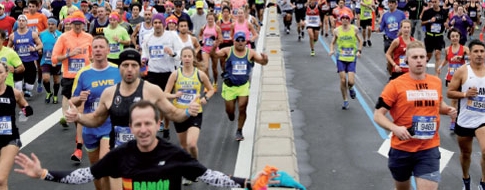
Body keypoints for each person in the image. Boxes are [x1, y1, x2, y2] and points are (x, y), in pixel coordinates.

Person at [16, 100, 301, 189]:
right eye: (137, 124)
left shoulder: (173, 154)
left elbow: (210, 176)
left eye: (148, 124)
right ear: (131, 127)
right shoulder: (120, 155)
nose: (142, 129)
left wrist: (250, 183)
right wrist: (44, 174)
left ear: (157, 125)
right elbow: (84, 176)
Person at [65, 49, 201, 151]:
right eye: (125, 65)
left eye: (134, 65)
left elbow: (173, 114)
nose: (129, 69)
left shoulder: (152, 90)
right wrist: (78, 117)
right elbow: (96, 119)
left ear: (139, 68)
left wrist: (188, 111)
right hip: (119, 153)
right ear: (119, 68)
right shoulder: (109, 93)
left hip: (146, 154)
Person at [373, 40, 457, 190]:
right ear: (407, 60)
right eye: (414, 57)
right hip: (402, 149)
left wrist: (448, 110)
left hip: (428, 148)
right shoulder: (395, 85)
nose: (419, 60)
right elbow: (378, 115)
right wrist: (395, 128)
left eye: (422, 57)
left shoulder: (435, 82)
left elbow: (437, 105)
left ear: (426, 59)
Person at [447, 39, 485, 190]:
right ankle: (466, 180)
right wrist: (465, 94)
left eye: (481, 51)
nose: (479, 54)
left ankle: (484, 183)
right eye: (475, 51)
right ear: (469, 54)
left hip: (483, 118)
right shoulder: (462, 71)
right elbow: (450, 92)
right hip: (464, 120)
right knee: (465, 154)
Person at [70, 36, 121, 190]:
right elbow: (73, 100)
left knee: (105, 162)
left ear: (108, 50)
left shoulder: (117, 71)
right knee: (96, 168)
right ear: (92, 51)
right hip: (90, 126)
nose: (98, 50)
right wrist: (80, 98)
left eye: (101, 47)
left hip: (110, 125)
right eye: (95, 47)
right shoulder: (83, 73)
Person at [164, 47, 215, 183]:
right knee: (184, 146)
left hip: (194, 113)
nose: (187, 58)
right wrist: (175, 95)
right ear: (181, 58)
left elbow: (211, 89)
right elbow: (165, 93)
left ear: (193, 58)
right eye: (184, 56)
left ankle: (195, 167)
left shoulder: (200, 74)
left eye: (189, 56)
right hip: (179, 113)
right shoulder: (175, 74)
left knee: (191, 144)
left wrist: (206, 98)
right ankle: (189, 170)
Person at [51, 10, 93, 161]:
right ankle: (81, 137)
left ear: (84, 24)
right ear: (71, 24)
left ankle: (79, 146)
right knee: (76, 113)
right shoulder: (63, 38)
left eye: (80, 24)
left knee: (81, 110)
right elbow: (54, 59)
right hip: (69, 78)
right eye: (75, 24)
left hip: (86, 77)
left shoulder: (89, 37)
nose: (77, 26)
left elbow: (94, 56)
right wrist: (69, 54)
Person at [0, 61, 33, 190]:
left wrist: (26, 111)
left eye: (0, 72)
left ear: (6, 74)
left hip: (10, 138)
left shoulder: (15, 93)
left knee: (1, 179)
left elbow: (26, 107)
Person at [215, 31, 269, 141]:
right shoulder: (228, 51)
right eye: (238, 40)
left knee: (242, 107)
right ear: (234, 41)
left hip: (243, 86)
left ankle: (239, 130)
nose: (240, 42)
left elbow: (263, 63)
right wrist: (213, 47)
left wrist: (265, 59)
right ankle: (231, 116)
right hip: (229, 86)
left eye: (242, 40)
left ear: (246, 42)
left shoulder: (250, 53)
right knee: (230, 112)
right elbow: (215, 55)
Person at [437, 28, 469, 131]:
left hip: (463, 77)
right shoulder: (447, 49)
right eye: (453, 36)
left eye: (456, 36)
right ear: (450, 38)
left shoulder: (464, 49)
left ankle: (463, 119)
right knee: (454, 99)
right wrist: (440, 67)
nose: (455, 38)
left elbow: (471, 58)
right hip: (451, 77)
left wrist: (462, 57)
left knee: (463, 99)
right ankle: (453, 121)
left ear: (460, 37)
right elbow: (447, 59)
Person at [328, 13, 363, 109]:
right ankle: (345, 100)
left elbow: (360, 41)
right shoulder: (337, 31)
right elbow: (332, 43)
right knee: (343, 80)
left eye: (346, 18)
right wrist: (331, 50)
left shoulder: (354, 29)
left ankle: (351, 88)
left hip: (351, 58)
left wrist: (359, 51)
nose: (344, 20)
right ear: (340, 20)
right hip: (341, 58)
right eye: (343, 18)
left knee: (351, 82)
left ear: (349, 20)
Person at [8, 15, 43, 97]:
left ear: (26, 22)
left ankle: (26, 88)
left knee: (29, 86)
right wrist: (11, 50)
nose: (21, 22)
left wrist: (34, 48)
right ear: (17, 22)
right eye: (19, 20)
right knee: (17, 86)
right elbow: (8, 47)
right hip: (18, 62)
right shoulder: (13, 35)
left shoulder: (33, 34)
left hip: (30, 61)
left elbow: (40, 45)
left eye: (23, 20)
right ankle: (21, 100)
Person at [421, 0, 449, 72]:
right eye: (432, 2)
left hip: (439, 36)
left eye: (435, 2)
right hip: (429, 36)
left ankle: (437, 75)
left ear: (439, 2)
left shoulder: (444, 12)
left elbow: (447, 21)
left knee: (438, 54)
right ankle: (421, 69)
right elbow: (421, 23)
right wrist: (429, 21)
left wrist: (447, 25)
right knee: (428, 56)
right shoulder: (427, 12)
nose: (433, 4)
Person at [38, 18, 62, 104]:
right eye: (49, 24)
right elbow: (38, 44)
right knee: (46, 78)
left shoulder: (60, 35)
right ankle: (49, 92)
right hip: (45, 60)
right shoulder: (42, 34)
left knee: (56, 80)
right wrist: (39, 50)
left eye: (53, 24)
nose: (50, 26)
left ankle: (55, 96)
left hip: (56, 61)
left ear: (56, 25)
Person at [199, 12, 222, 87]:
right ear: (206, 19)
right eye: (209, 19)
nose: (210, 20)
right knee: (206, 67)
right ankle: (208, 82)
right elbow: (200, 35)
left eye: (212, 19)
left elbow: (221, 39)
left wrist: (216, 43)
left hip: (214, 50)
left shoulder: (217, 28)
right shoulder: (204, 27)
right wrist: (201, 41)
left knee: (214, 69)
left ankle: (215, 82)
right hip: (205, 49)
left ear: (214, 19)